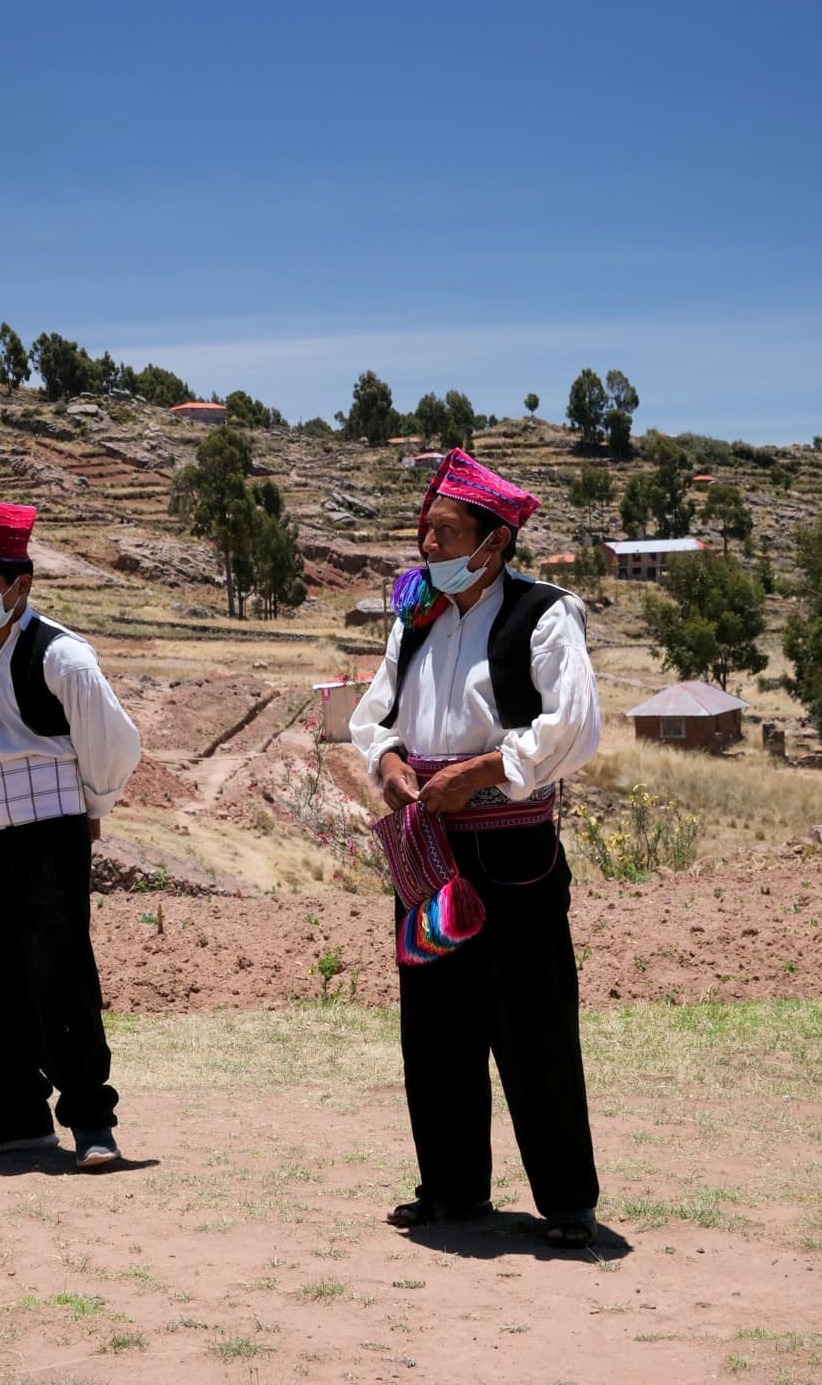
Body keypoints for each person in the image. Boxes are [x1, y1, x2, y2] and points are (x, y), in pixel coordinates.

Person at [350, 449, 602, 1248]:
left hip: (512, 852)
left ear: (495, 542)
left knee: (534, 1022)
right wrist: (391, 763)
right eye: (427, 530)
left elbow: (572, 725)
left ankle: (567, 1202)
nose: (429, 546)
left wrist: (487, 771)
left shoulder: (545, 614)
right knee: (435, 1025)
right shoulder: (416, 619)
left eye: (447, 532)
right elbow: (373, 715)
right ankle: (452, 1191)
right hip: (428, 849)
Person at [0, 498, 141, 1168]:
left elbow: (114, 743)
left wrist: (94, 806)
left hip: (49, 832)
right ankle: (18, 1114)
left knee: (58, 974)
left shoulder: (63, 656)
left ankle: (91, 1121)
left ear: (19, 584)